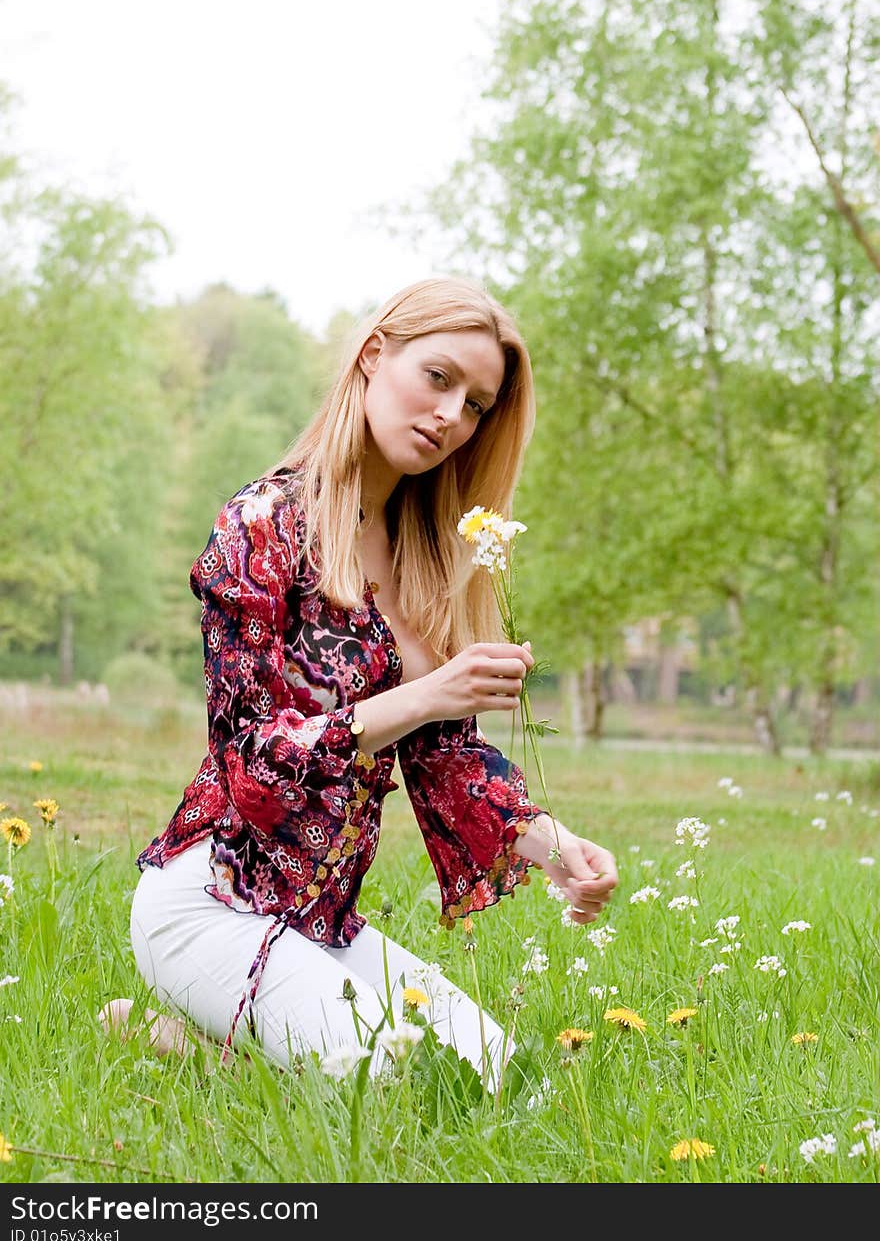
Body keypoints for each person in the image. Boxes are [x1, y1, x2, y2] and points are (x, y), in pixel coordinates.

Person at [104, 277, 618, 1087]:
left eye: (478, 404)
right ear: (375, 355)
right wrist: (427, 692)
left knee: (496, 1077)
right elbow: (251, 762)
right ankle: (191, 1032)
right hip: (210, 902)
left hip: (323, 923)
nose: (453, 416)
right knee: (393, 1081)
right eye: (439, 378)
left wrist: (558, 850)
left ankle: (205, 1046)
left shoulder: (424, 558)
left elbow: (447, 760)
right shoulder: (262, 526)